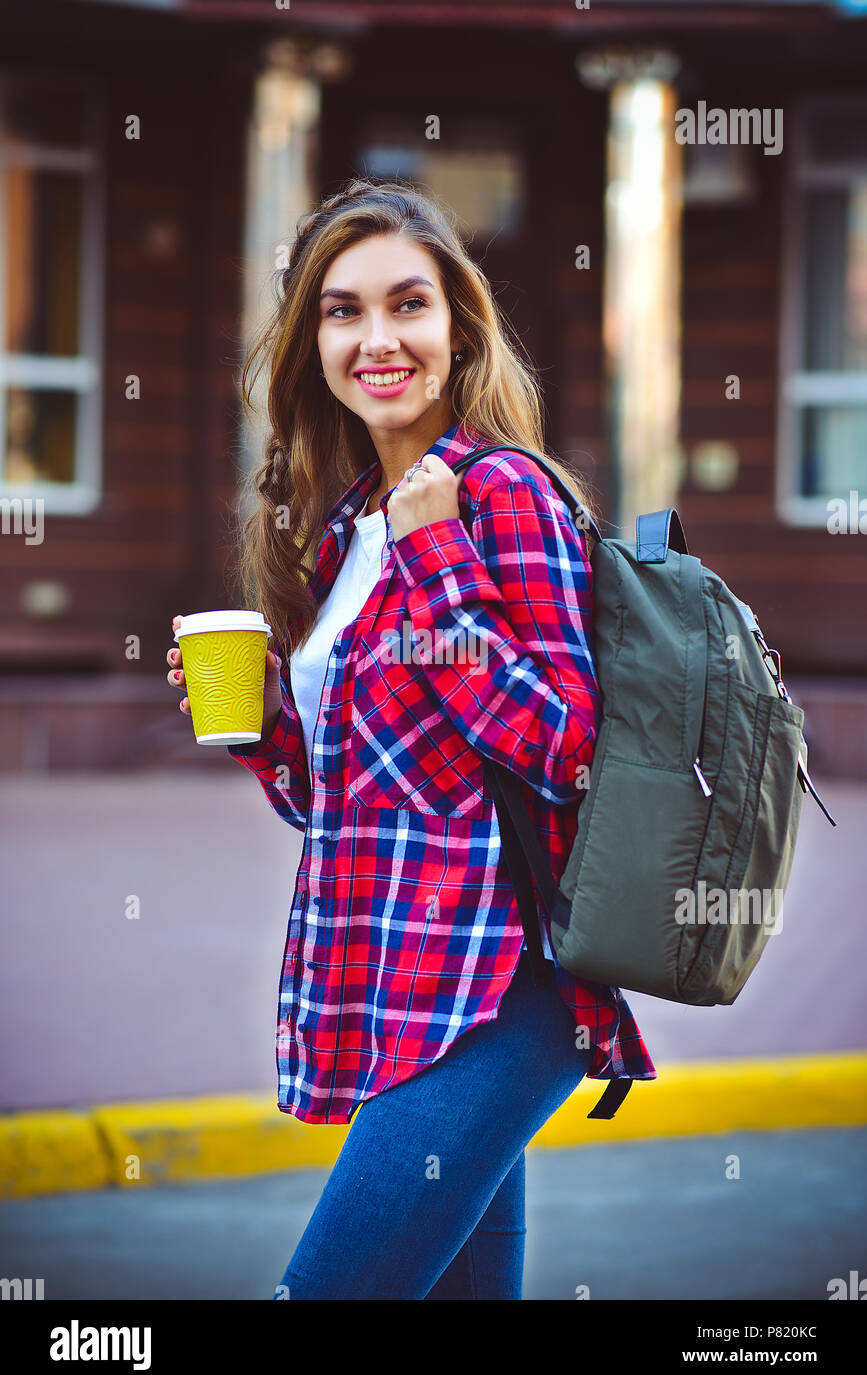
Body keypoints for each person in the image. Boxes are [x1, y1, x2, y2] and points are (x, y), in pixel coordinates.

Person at [166, 178, 656, 1299]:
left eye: (408, 305)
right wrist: (255, 728)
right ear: (311, 341)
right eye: (342, 311)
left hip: (500, 984)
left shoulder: (502, 496)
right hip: (396, 978)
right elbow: (337, 802)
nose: (377, 339)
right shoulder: (343, 530)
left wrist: (438, 567)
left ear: (457, 330)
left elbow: (570, 745)